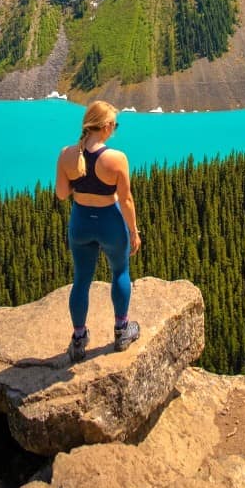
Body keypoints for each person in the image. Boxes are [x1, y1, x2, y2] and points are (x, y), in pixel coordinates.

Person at [55, 100, 142, 363]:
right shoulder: (116, 159)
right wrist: (134, 231)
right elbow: (126, 201)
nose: (114, 129)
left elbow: (60, 194)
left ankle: (79, 340)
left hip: (80, 222)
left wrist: (78, 182)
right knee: (120, 272)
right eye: (114, 125)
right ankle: (121, 330)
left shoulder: (67, 154)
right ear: (105, 126)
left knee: (82, 279)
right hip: (109, 222)